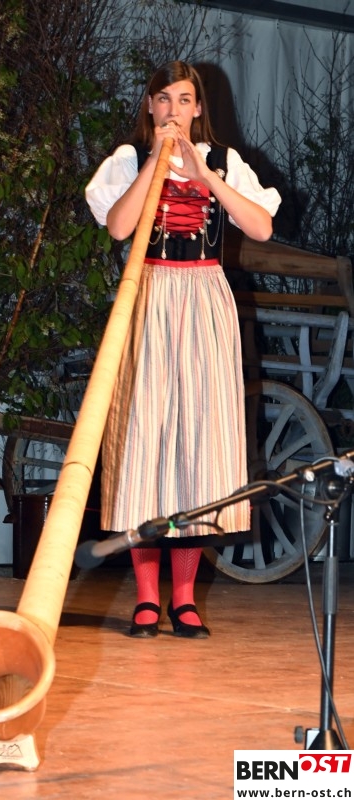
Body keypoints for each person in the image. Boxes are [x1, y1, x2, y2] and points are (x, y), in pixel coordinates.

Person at [85, 60, 281, 638]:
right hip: (148, 295)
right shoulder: (128, 159)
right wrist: (156, 161)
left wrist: (204, 174)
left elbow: (261, 228)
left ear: (198, 108)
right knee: (145, 444)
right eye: (164, 98)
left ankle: (186, 598)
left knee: (200, 443)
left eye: (185, 99)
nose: (174, 109)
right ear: (150, 106)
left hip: (204, 299)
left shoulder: (223, 161)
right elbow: (119, 227)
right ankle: (147, 597)